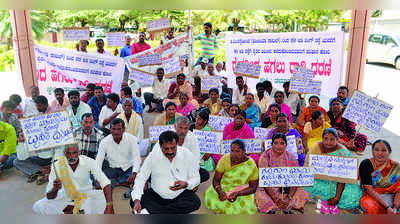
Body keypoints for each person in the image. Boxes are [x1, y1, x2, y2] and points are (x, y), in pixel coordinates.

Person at [131, 131, 201, 214]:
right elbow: (141, 178)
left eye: (173, 148)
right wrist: (136, 201)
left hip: (179, 194)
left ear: (177, 145)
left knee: (195, 202)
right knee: (133, 201)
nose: (170, 151)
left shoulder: (187, 154)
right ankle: (168, 213)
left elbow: (196, 178)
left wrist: (187, 183)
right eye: (166, 148)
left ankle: (156, 213)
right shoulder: (153, 156)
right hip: (156, 195)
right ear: (160, 146)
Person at [32, 144, 114, 214]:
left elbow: (105, 182)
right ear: (64, 154)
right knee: (38, 206)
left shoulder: (89, 161)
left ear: (79, 152)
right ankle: (75, 212)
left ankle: (75, 211)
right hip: (65, 197)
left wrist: (109, 206)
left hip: (85, 195)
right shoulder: (56, 166)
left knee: (103, 198)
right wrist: (55, 189)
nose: (71, 156)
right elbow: (49, 196)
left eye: (74, 153)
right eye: (68, 153)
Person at [305, 128, 362, 210]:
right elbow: (307, 165)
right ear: (322, 139)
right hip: (320, 179)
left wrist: (337, 198)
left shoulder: (343, 152)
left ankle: (332, 198)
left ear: (337, 140)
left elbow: (346, 176)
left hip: (340, 183)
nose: (328, 142)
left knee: (352, 196)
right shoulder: (316, 147)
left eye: (332, 139)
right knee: (304, 185)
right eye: (326, 139)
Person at [255, 133, 310, 214]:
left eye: (282, 143)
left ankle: (286, 205)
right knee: (260, 195)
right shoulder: (265, 157)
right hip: (269, 188)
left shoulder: (291, 157)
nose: (279, 146)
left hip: (287, 188)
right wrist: (276, 199)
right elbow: (264, 181)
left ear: (286, 145)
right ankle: (280, 207)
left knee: (302, 193)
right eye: (276, 143)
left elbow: (296, 180)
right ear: (271, 144)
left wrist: (289, 197)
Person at [204, 139, 258, 214]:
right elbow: (216, 180)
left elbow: (253, 187)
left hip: (241, 189)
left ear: (244, 151)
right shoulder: (225, 159)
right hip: (224, 186)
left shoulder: (251, 164)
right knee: (213, 198)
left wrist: (238, 193)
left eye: (237, 151)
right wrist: (220, 192)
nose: (234, 154)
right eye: (232, 151)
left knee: (244, 208)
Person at [96, 118, 141, 188]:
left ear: (123, 129)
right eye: (113, 129)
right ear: (110, 129)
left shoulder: (132, 139)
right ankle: (123, 182)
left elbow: (137, 158)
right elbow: (99, 159)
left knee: (139, 178)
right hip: (113, 169)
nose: (116, 132)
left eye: (119, 129)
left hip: (128, 168)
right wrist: (97, 176)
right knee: (96, 179)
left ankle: (116, 182)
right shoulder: (104, 141)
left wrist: (134, 174)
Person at [359, 140, 400, 214]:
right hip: (373, 196)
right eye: (376, 150)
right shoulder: (366, 164)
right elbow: (368, 189)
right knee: (370, 206)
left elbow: (399, 189)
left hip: (392, 196)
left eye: (383, 150)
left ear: (389, 152)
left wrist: (395, 207)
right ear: (372, 151)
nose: (380, 153)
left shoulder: (396, 167)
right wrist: (387, 207)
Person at [174, 116, 209, 183]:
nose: (183, 131)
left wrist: (194, 180)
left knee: (205, 174)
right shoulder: (167, 135)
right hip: (170, 167)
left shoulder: (192, 137)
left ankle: (184, 184)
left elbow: (196, 158)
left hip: (186, 168)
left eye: (186, 128)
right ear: (175, 126)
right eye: (180, 127)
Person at [189, 108, 215, 172]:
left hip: (204, 155)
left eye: (199, 119)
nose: (197, 120)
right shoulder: (191, 127)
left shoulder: (208, 131)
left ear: (205, 121)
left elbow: (210, 147)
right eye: (197, 118)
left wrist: (205, 156)